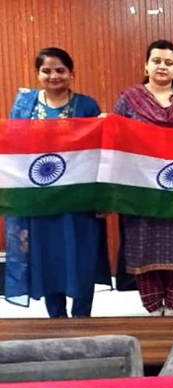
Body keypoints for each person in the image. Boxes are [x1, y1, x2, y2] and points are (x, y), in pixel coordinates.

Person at [3, 47, 110, 317]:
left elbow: (99, 152)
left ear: (71, 73)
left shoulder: (86, 106)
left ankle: (83, 319)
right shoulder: (24, 106)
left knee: (81, 260)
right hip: (40, 204)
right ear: (37, 73)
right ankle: (57, 321)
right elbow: (14, 150)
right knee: (49, 261)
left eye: (60, 70)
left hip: (79, 202)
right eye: (46, 70)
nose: (54, 76)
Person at [113, 39, 173, 316]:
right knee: (144, 247)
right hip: (141, 193)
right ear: (146, 65)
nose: (162, 66)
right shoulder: (129, 100)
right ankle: (153, 310)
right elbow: (115, 138)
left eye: (168, 62)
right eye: (157, 61)